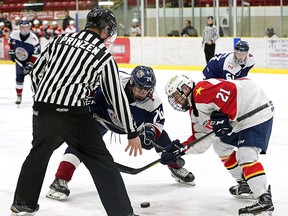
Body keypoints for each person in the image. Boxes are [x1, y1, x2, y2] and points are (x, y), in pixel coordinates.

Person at [10, 8, 140, 216]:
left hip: (42, 109)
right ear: (105, 30)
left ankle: (23, 202)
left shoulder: (60, 40)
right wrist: (132, 131)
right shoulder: (102, 55)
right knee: (101, 162)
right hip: (73, 115)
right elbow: (116, 97)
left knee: (39, 153)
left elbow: (36, 73)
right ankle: (122, 212)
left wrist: (42, 100)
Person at [46, 66, 195, 201]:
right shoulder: (113, 82)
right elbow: (88, 88)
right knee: (81, 142)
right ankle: (60, 179)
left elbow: (156, 123)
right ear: (131, 82)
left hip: (135, 127)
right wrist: (88, 105)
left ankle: (175, 166)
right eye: (139, 88)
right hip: (103, 119)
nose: (142, 93)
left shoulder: (153, 101)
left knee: (164, 142)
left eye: (146, 89)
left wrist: (149, 133)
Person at [162, 74, 275, 216]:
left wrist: (226, 116)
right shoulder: (195, 111)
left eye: (176, 96)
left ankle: (264, 199)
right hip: (240, 120)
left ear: (185, 88)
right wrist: (179, 149)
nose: (176, 101)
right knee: (220, 145)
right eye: (173, 99)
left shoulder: (201, 90)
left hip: (255, 109)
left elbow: (232, 89)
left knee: (246, 154)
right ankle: (244, 183)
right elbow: (200, 139)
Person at [8, 18, 41, 105]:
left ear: (29, 27)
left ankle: (39, 97)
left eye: (25, 27)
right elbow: (10, 42)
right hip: (19, 61)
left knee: (35, 79)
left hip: (31, 62)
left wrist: (30, 64)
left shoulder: (34, 39)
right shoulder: (14, 34)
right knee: (19, 78)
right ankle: (19, 96)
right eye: (22, 27)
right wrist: (11, 51)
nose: (23, 29)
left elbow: (36, 54)